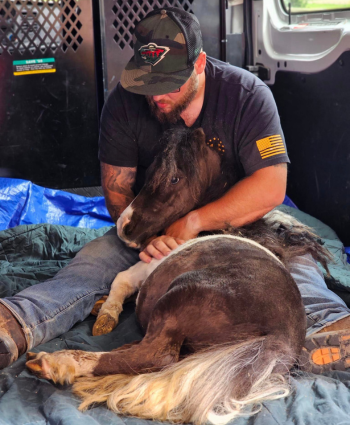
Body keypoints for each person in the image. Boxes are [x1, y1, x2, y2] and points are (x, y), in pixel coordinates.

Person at [0, 6, 349, 373]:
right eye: (148, 83)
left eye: (169, 83)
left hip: (237, 218)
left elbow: (271, 186)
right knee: (92, 262)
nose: (156, 96)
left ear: (199, 64)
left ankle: (329, 330)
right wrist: (146, 240)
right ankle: (16, 322)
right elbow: (117, 190)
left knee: (296, 260)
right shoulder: (123, 103)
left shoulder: (247, 95)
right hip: (155, 223)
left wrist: (194, 222)